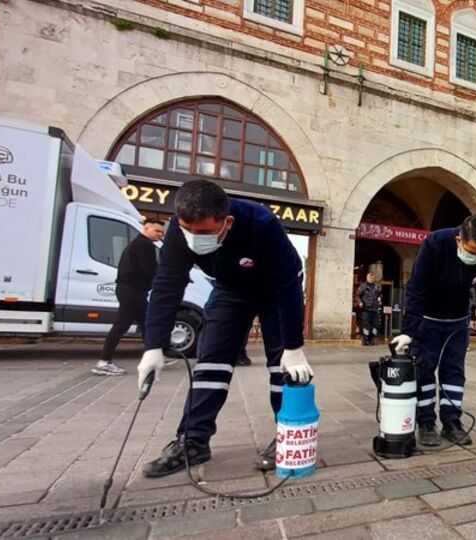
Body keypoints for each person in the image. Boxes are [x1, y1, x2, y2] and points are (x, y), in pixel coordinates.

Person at [136, 179, 312, 477]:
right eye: (187, 229)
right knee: (211, 360)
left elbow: (288, 287)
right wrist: (153, 345)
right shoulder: (180, 233)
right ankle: (192, 441)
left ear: (226, 222)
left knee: (282, 366)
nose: (194, 238)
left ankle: (288, 436)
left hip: (275, 289)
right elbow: (167, 286)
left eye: (203, 232)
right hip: (230, 289)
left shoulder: (262, 224)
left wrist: (294, 347)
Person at [390, 216, 476, 447]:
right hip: (428, 320)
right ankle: (426, 422)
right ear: (459, 239)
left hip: (458, 320)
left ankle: (451, 422)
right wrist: (409, 331)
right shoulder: (435, 244)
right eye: (471, 252)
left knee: (454, 372)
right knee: (425, 370)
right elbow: (416, 289)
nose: (475, 258)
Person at [93, 219, 165, 376]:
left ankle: (152, 357)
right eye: (157, 231)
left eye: (162, 232)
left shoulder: (139, 244)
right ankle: (104, 361)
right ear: (146, 228)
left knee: (146, 324)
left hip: (133, 290)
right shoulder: (144, 246)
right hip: (132, 291)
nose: (160, 235)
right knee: (122, 325)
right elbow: (150, 270)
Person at [355, 272, 382, 346]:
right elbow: (357, 295)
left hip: (375, 309)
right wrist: (360, 302)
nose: (371, 279)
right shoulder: (363, 286)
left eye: (372, 277)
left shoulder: (377, 286)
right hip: (366, 309)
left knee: (376, 325)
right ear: (367, 278)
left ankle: (372, 338)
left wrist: (379, 300)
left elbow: (380, 295)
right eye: (370, 277)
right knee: (366, 325)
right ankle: (366, 340)